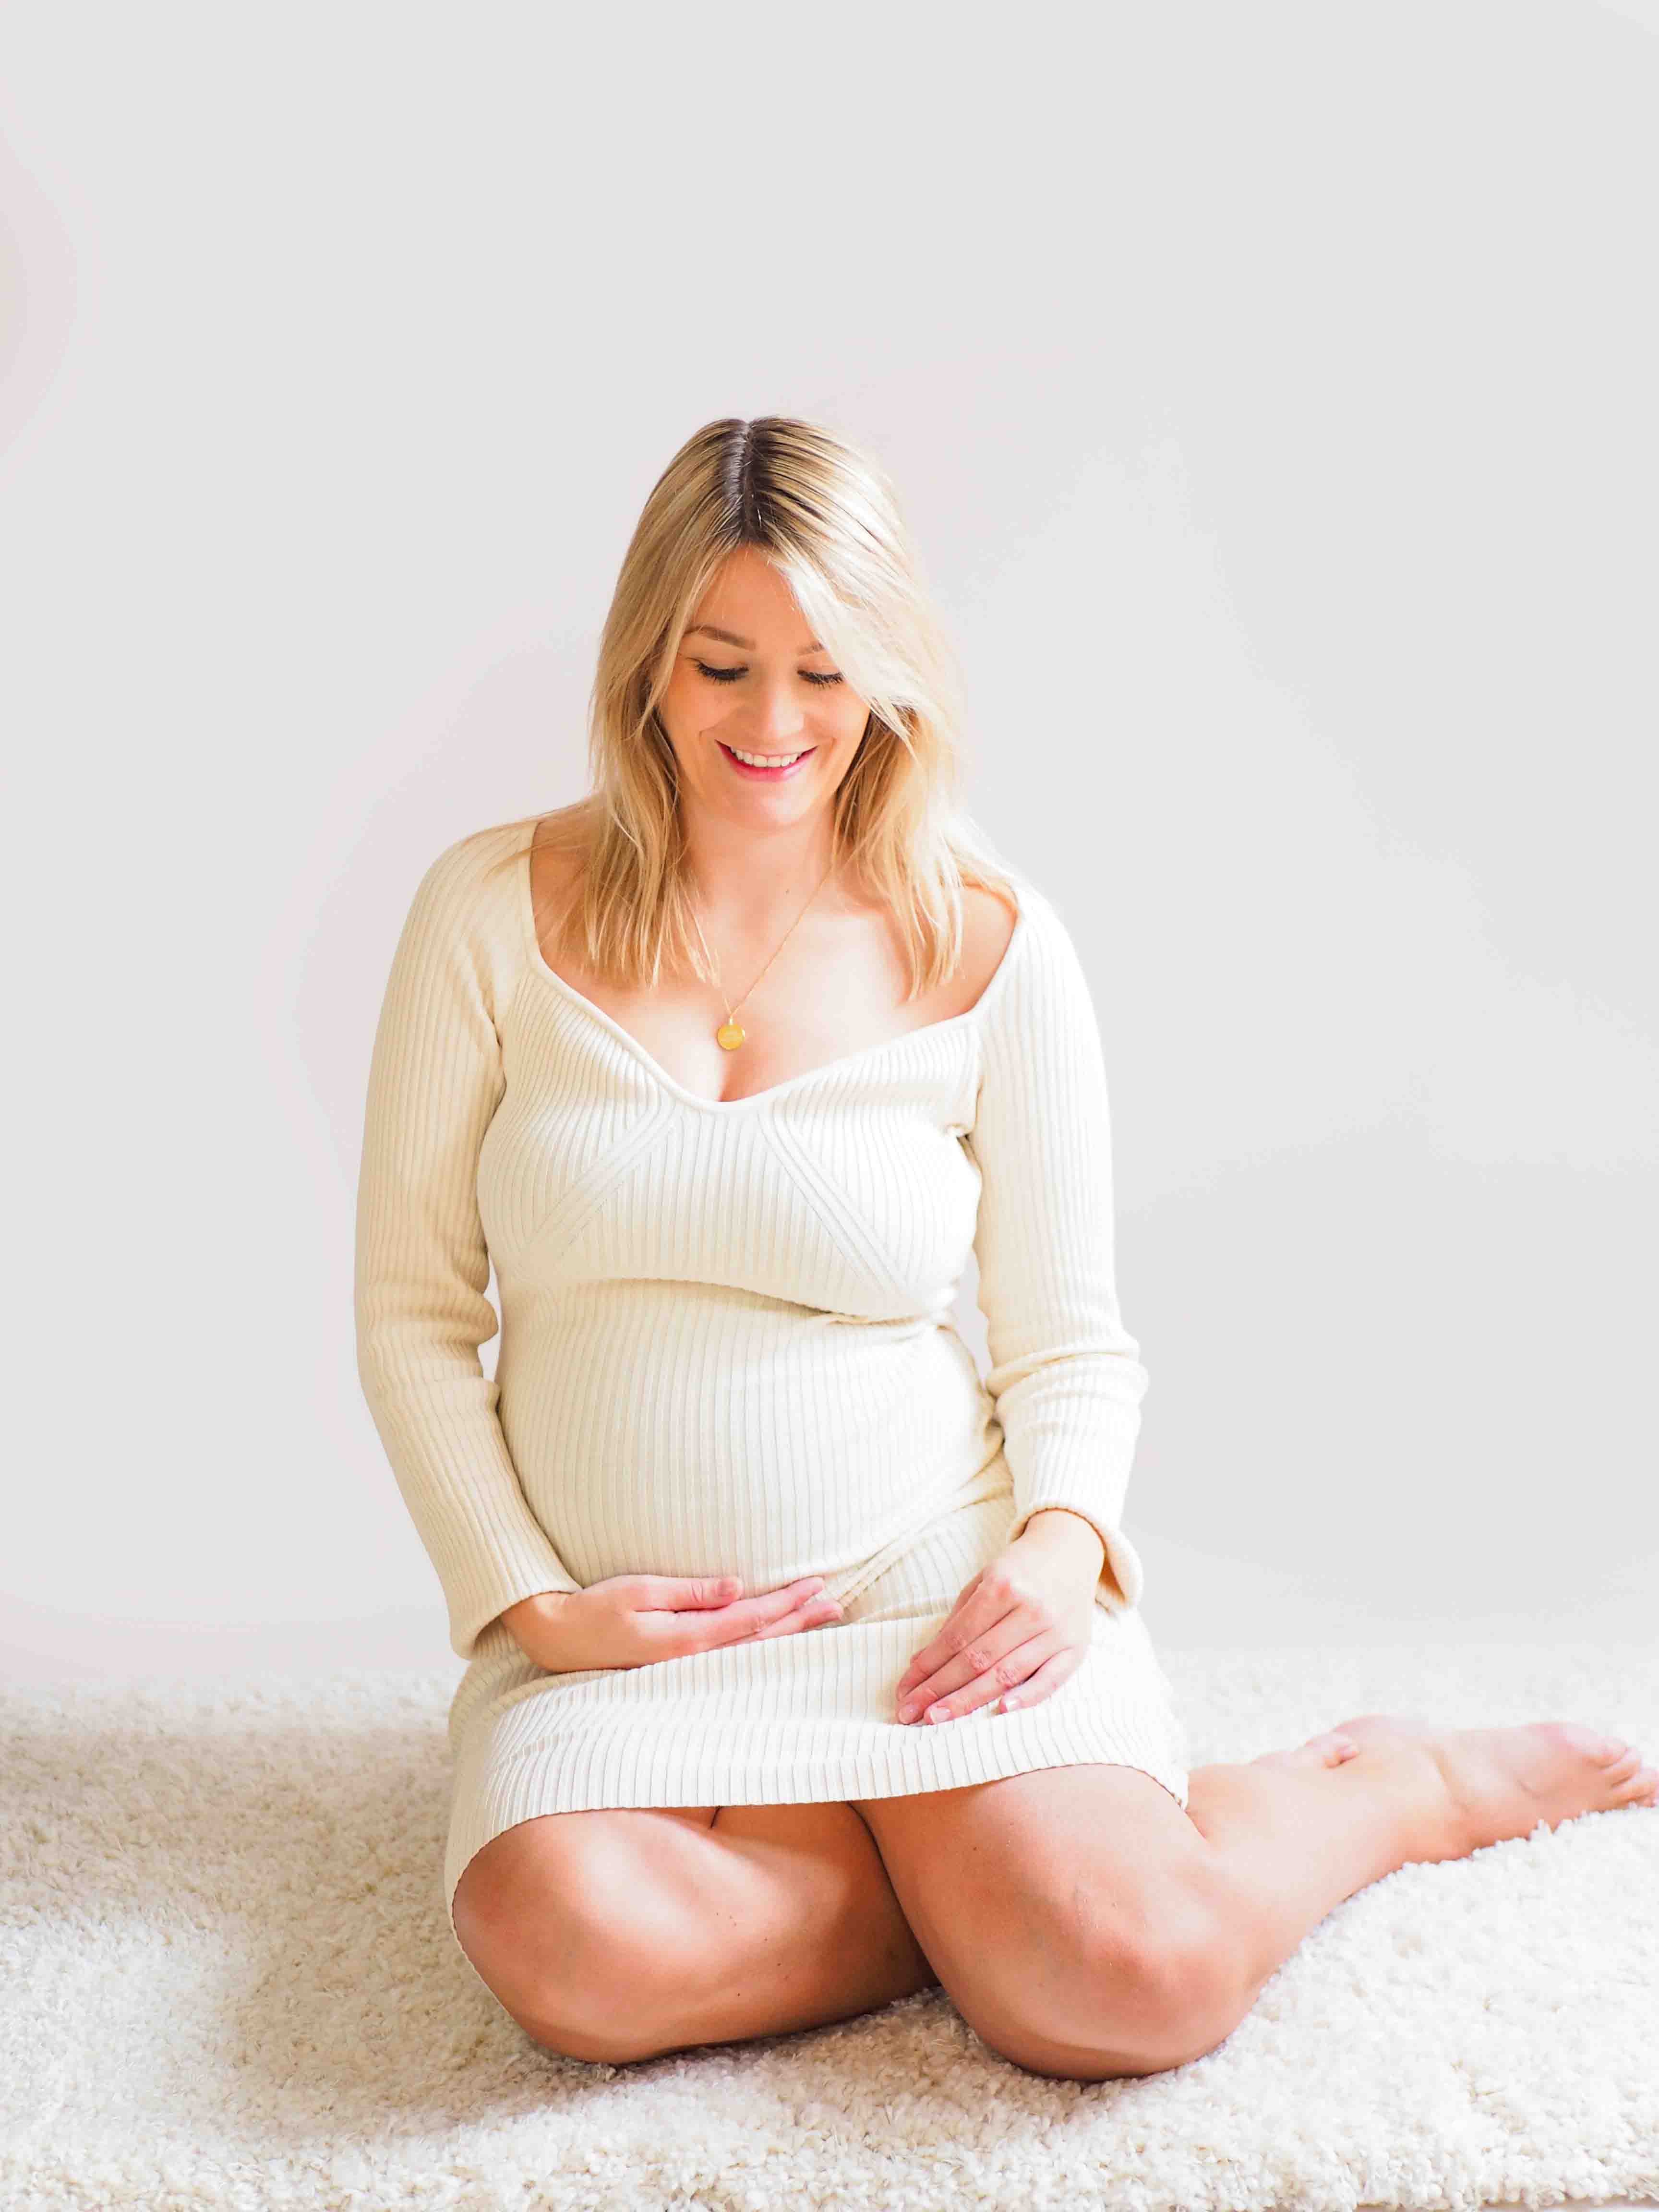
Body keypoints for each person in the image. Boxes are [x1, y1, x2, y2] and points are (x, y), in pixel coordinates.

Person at [353, 414, 1656, 2080]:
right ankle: (958, 1905)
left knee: (1140, 1981)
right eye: (723, 663)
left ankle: (1400, 1789)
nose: (772, 723)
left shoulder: (990, 940)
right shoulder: (491, 908)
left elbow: (1071, 1337)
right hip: (629, 1652)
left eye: (825, 673)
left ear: (889, 675)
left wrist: (1054, 1555)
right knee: (573, 1955)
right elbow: (409, 1314)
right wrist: (534, 1609)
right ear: (646, 667)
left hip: (928, 1600)